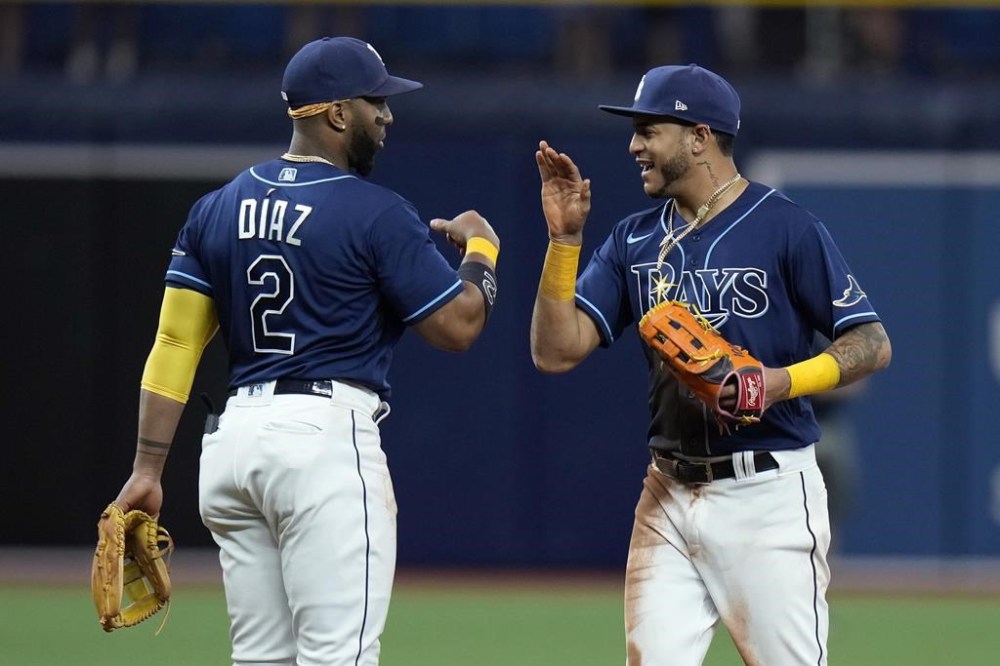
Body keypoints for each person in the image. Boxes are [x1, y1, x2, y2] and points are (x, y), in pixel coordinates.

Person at [103, 36, 500, 666]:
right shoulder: (377, 212)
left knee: (262, 660)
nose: (388, 116)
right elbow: (459, 326)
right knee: (338, 657)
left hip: (233, 449)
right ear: (338, 114)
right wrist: (482, 252)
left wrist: (148, 469)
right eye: (377, 103)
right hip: (322, 443)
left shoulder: (216, 207)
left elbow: (175, 343)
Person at [531, 64, 890, 664]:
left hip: (768, 492)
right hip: (667, 490)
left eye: (650, 130)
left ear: (699, 137)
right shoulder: (632, 240)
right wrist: (564, 242)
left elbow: (872, 342)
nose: (634, 145)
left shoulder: (785, 228)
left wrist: (782, 382)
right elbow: (554, 349)